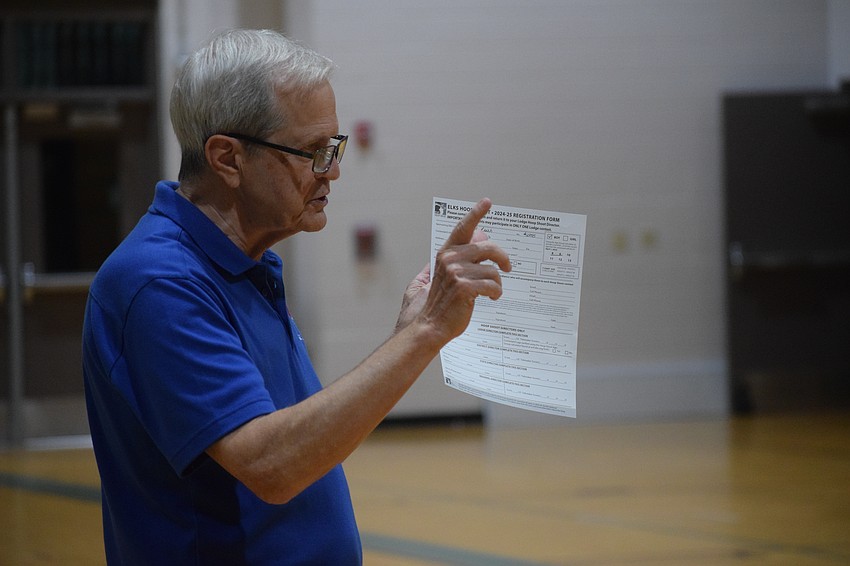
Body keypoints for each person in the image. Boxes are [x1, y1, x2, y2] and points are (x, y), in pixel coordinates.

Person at [82, 28, 511, 565]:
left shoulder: (247, 261)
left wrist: (409, 331)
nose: (334, 170)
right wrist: (425, 334)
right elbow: (272, 466)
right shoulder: (159, 283)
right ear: (227, 159)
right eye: (312, 152)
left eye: (334, 146)